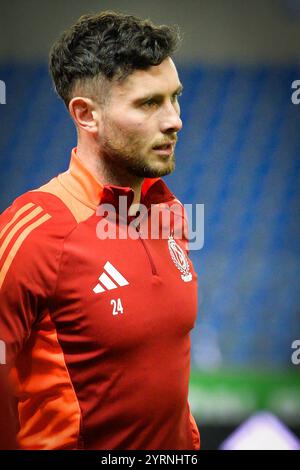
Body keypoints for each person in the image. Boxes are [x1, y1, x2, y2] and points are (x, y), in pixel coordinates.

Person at [0, 11, 200, 450]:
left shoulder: (171, 215)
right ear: (86, 115)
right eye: (149, 103)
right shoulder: (36, 229)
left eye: (175, 97)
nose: (174, 120)